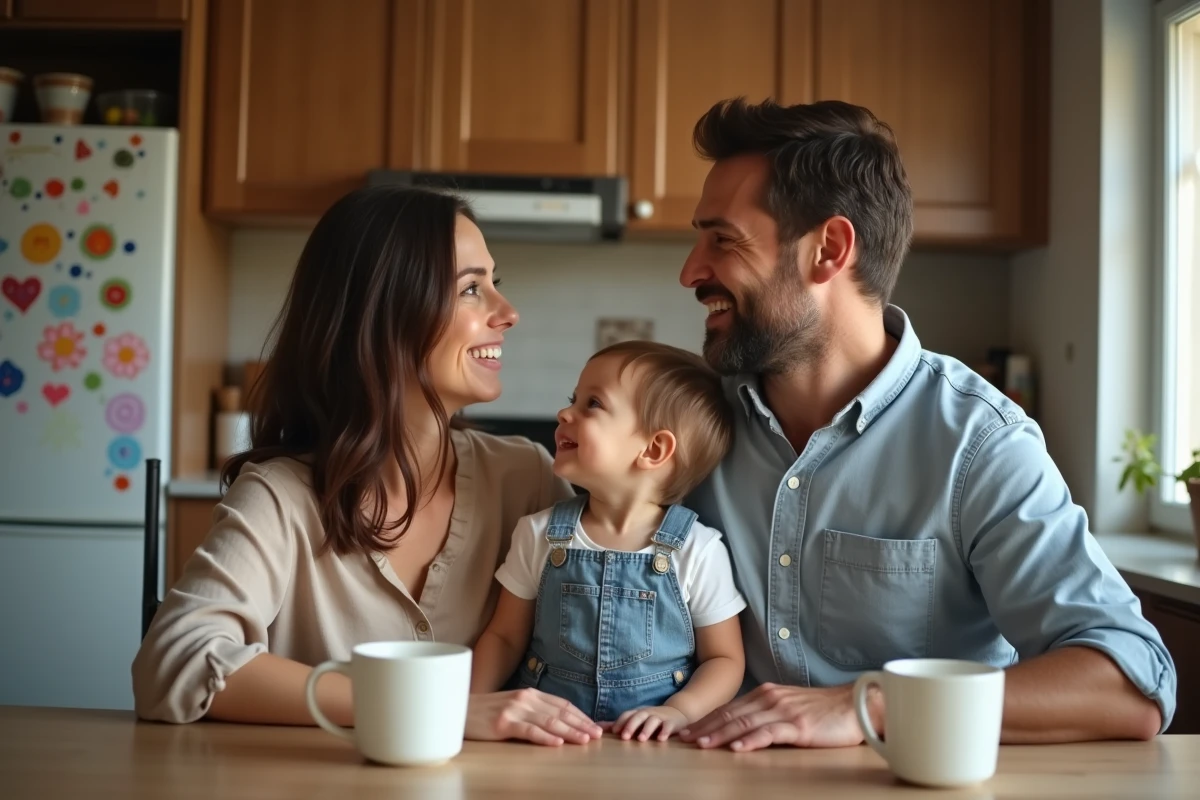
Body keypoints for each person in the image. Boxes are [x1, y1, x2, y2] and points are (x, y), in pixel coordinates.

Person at [671, 98, 1177, 751]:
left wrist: (869, 704)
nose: (690, 270)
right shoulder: (685, 423)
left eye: (722, 239)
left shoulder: (980, 443)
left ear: (829, 248)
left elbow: (1131, 684)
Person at [132, 186, 603, 747]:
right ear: (385, 314)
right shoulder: (282, 497)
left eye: (496, 284)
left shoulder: (526, 478)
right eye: (472, 289)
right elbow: (173, 665)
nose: (507, 313)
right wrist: (428, 708)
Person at [470, 341, 746, 741]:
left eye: (593, 404)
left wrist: (680, 712)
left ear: (654, 449)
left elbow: (725, 659)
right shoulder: (538, 535)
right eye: (572, 399)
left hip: (650, 751)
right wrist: (470, 706)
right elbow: (504, 636)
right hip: (542, 741)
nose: (565, 412)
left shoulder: (698, 550)